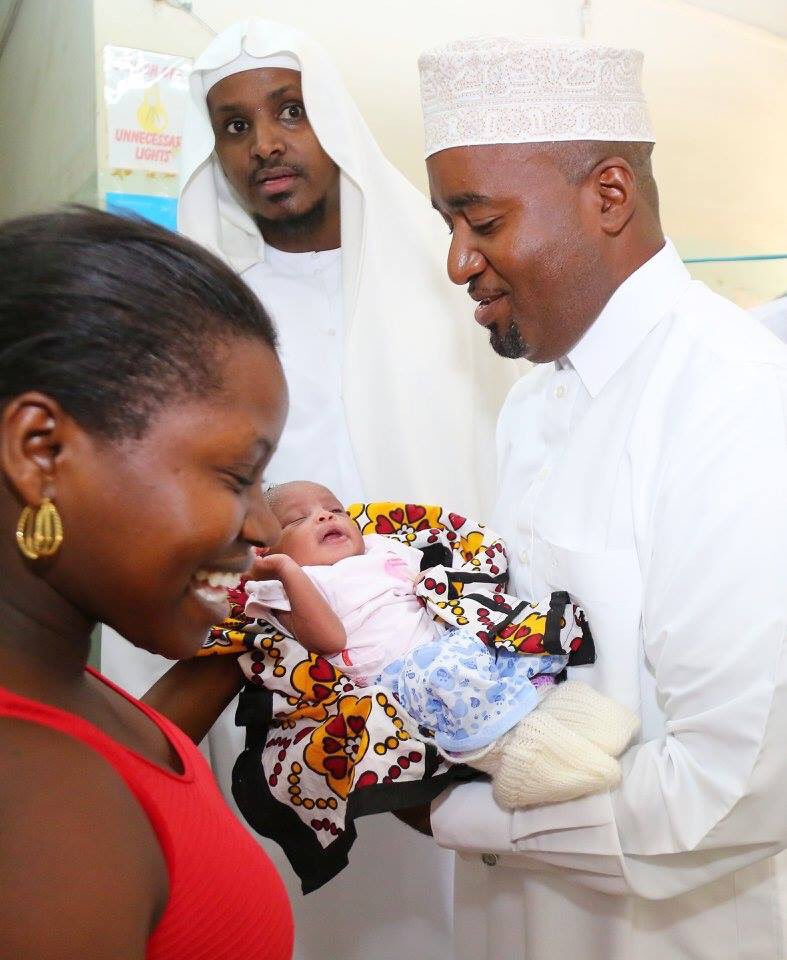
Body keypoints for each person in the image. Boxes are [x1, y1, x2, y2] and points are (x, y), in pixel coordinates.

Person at [102, 20, 517, 960]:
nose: (266, 144)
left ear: (332, 119)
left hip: (440, 673)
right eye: (235, 126)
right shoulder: (194, 320)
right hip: (276, 682)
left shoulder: (443, 283)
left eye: (289, 111)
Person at [413, 36, 787, 960]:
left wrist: (461, 816)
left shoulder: (732, 395)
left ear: (608, 195)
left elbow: (735, 785)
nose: (457, 261)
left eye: (481, 221)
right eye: (448, 225)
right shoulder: (532, 399)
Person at [0, 207, 293, 960]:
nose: (265, 526)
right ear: (41, 451)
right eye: (238, 476)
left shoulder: (64, 687)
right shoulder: (35, 808)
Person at [244, 480, 637, 808]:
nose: (325, 516)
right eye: (299, 518)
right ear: (268, 550)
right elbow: (328, 639)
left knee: (499, 639)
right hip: (404, 679)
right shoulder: (291, 585)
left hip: (448, 644)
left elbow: (437, 582)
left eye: (335, 509)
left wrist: (444, 589)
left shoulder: (379, 548)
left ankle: (551, 707)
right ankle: (505, 754)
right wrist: (287, 570)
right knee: (447, 674)